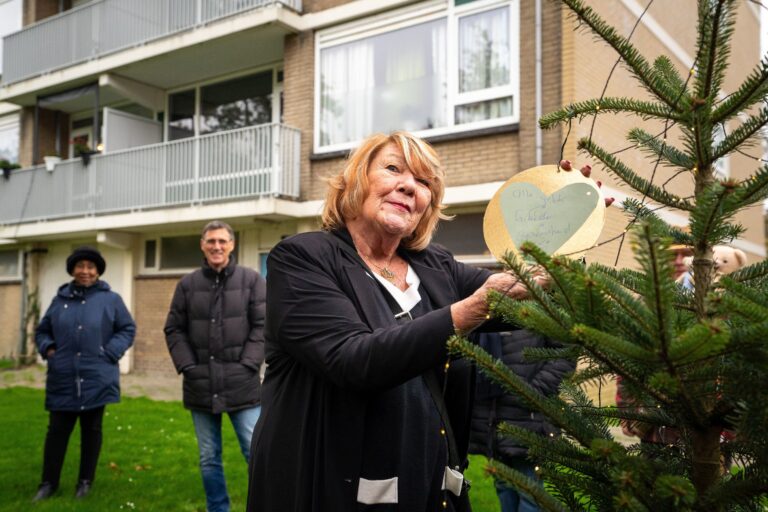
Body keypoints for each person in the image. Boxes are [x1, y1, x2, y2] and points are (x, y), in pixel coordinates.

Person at [247, 131, 547, 512]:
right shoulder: (303, 259)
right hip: (326, 483)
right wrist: (469, 310)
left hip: (428, 483)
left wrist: (566, 229)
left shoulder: (435, 266)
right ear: (357, 180)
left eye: (424, 182)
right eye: (393, 169)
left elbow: (522, 295)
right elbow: (353, 359)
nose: (409, 186)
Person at [164, 220, 266, 512]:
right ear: (202, 245)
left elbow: (263, 327)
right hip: (200, 385)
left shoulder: (252, 280)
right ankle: (217, 508)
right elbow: (174, 329)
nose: (217, 246)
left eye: (222, 241)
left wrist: (248, 364)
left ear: (232, 245)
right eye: (211, 241)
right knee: (209, 457)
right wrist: (187, 366)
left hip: (242, 384)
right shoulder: (187, 285)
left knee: (256, 453)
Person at [33, 246, 136, 500]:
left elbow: (127, 328)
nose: (85, 271)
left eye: (91, 267)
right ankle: (48, 483)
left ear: (98, 271)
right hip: (63, 377)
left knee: (92, 431)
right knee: (57, 432)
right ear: (72, 270)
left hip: (97, 377)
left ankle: (85, 482)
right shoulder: (60, 300)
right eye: (80, 266)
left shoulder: (111, 300)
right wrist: (49, 350)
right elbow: (42, 331)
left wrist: (110, 352)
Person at [468, 331, 575, 512]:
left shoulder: (539, 304)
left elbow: (566, 354)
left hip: (529, 419)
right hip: (491, 421)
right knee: (504, 488)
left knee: (530, 496)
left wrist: (533, 392)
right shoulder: (482, 309)